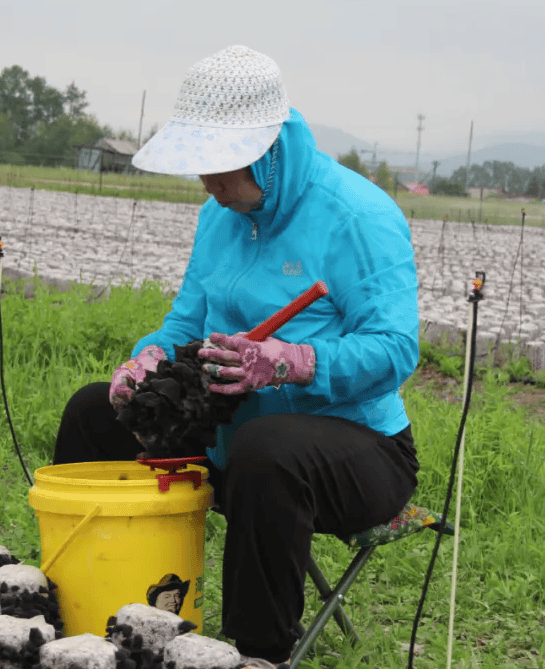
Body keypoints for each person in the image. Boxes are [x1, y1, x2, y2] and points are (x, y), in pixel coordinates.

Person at [52, 45, 420, 666]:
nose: (209, 184)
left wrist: (291, 362)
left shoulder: (357, 216)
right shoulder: (218, 215)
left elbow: (396, 348)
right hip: (228, 440)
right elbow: (183, 325)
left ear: (267, 151)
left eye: (221, 167)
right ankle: (93, 611)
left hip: (357, 449)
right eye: (202, 168)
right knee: (94, 410)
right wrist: (146, 361)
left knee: (268, 450)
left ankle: (255, 652)